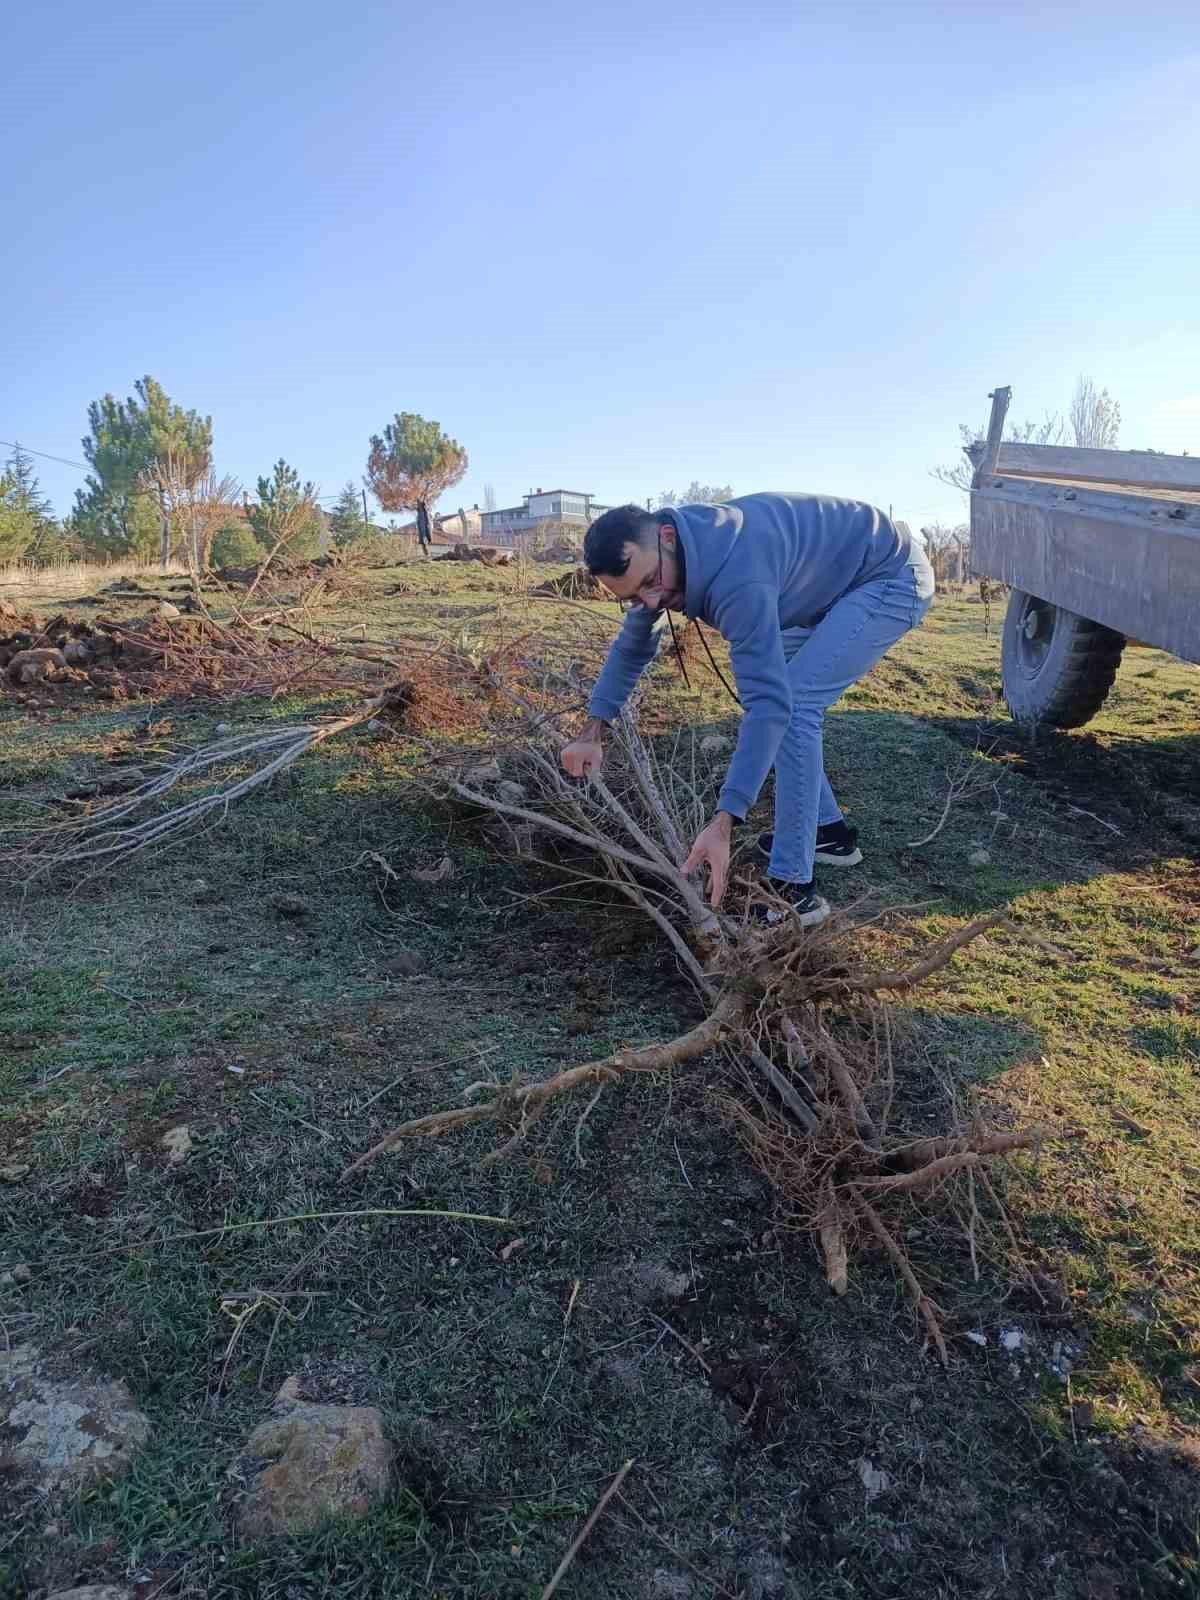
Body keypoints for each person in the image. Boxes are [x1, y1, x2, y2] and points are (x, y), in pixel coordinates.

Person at [561, 494, 935, 926]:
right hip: (824, 587)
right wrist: (592, 731)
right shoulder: (666, 561)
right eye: (633, 597)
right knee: (786, 705)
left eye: (650, 583)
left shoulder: (738, 577)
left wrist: (725, 821)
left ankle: (795, 890)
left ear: (666, 536)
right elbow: (633, 645)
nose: (651, 601)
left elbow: (770, 706)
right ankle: (829, 835)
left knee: (791, 708)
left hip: (888, 576)